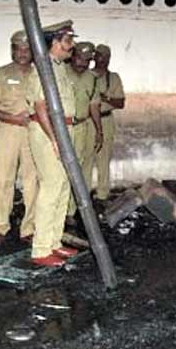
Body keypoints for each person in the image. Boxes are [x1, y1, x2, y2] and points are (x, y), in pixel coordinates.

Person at [25, 20, 79, 267]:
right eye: (68, 40)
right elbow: (40, 108)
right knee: (51, 186)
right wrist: (54, 139)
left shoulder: (59, 67)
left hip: (65, 129)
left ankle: (54, 242)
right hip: (49, 131)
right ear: (54, 42)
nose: (72, 45)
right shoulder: (43, 68)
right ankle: (40, 249)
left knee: (63, 186)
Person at [0, 30, 38, 246]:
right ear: (12, 50)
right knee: (4, 178)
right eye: (18, 49)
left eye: (27, 49)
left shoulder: (39, 74)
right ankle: (0, 226)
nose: (23, 53)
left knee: (32, 180)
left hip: (34, 131)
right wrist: (13, 118)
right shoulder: (2, 74)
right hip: (8, 130)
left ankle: (29, 228)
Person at [65, 41, 102, 226]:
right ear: (72, 55)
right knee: (59, 170)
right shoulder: (61, 73)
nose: (83, 63)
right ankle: (57, 210)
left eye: (87, 60)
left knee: (77, 170)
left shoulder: (91, 78)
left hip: (81, 127)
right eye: (80, 58)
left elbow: (94, 105)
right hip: (62, 127)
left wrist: (99, 130)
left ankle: (70, 211)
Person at [91, 44, 125, 201]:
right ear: (94, 57)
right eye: (99, 55)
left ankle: (102, 195)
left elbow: (121, 103)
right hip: (87, 121)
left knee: (104, 160)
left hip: (105, 119)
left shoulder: (113, 78)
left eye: (106, 56)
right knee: (85, 159)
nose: (102, 59)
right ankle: (83, 195)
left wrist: (106, 98)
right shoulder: (86, 76)